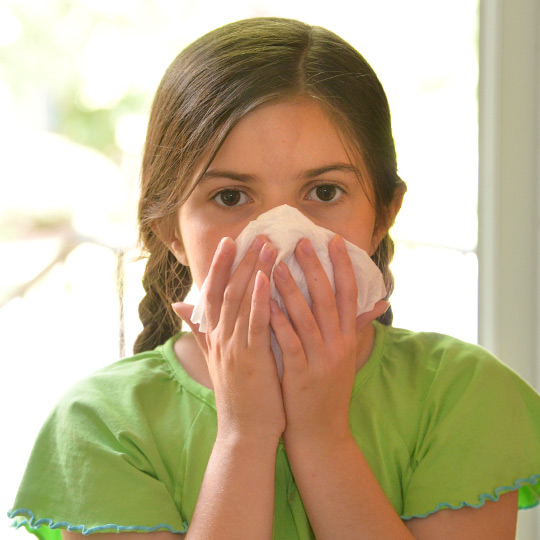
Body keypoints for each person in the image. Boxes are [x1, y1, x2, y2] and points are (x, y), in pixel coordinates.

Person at [8, 17, 540, 540]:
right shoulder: (99, 426)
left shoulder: (462, 394)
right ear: (170, 229)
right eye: (231, 197)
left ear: (383, 214)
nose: (280, 238)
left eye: (324, 192)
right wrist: (245, 437)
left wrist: (322, 438)